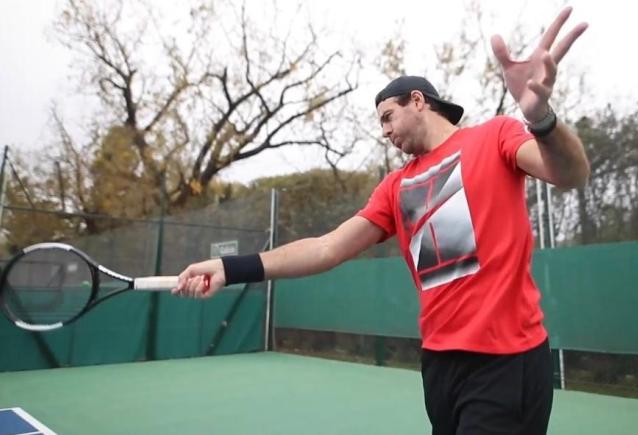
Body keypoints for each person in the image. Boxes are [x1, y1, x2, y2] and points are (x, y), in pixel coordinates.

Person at [173, 7, 589, 435]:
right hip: (439, 364)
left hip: (506, 361)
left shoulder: (495, 136)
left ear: (418, 102)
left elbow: (570, 175)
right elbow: (326, 248)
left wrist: (541, 119)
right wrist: (228, 268)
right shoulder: (394, 187)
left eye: (388, 117)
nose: (385, 132)